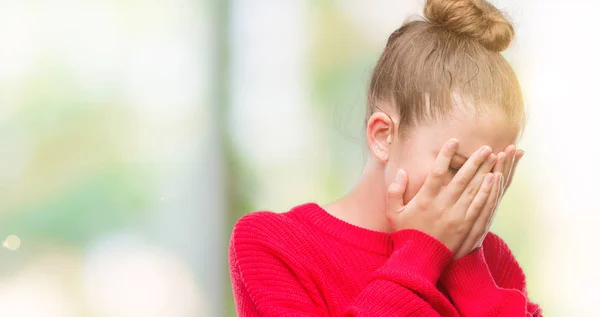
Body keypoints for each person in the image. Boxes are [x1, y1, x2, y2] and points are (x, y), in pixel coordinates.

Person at [228, 0, 542, 315]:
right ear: (382, 136)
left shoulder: (491, 261)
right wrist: (421, 254)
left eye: (492, 176)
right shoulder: (274, 245)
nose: (472, 195)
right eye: (458, 167)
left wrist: (467, 268)